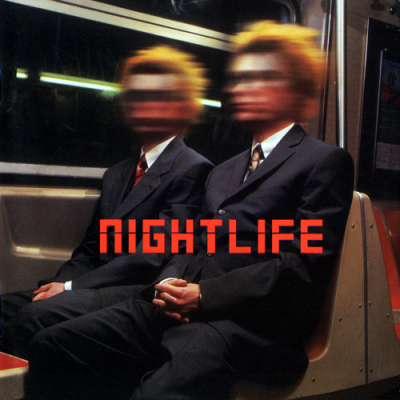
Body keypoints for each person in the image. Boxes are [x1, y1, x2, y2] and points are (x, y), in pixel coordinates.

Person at [25, 21, 354, 400]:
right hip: (185, 308)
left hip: (251, 328)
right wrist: (170, 281)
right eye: (239, 79)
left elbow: (300, 264)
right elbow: (192, 242)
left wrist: (204, 295)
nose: (241, 89)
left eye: (260, 77)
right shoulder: (224, 171)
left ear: (296, 90)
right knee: (52, 343)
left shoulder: (322, 162)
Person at [0, 45, 213, 358]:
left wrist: (70, 289)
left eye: (155, 96)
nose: (142, 105)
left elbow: (153, 256)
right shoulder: (117, 173)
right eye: (135, 96)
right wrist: (59, 283)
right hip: (93, 286)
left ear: (180, 107)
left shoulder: (193, 169)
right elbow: (91, 247)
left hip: (136, 290)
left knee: (34, 316)